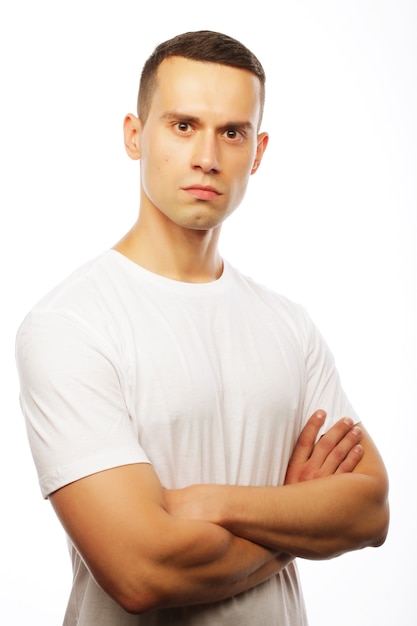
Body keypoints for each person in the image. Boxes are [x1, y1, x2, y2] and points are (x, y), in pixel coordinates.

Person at [16, 30, 389, 626]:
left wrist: (207, 503)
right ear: (135, 136)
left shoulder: (288, 324)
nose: (208, 157)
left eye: (232, 132)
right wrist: (296, 517)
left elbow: (369, 512)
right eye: (183, 126)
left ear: (259, 151)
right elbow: (142, 572)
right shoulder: (70, 324)